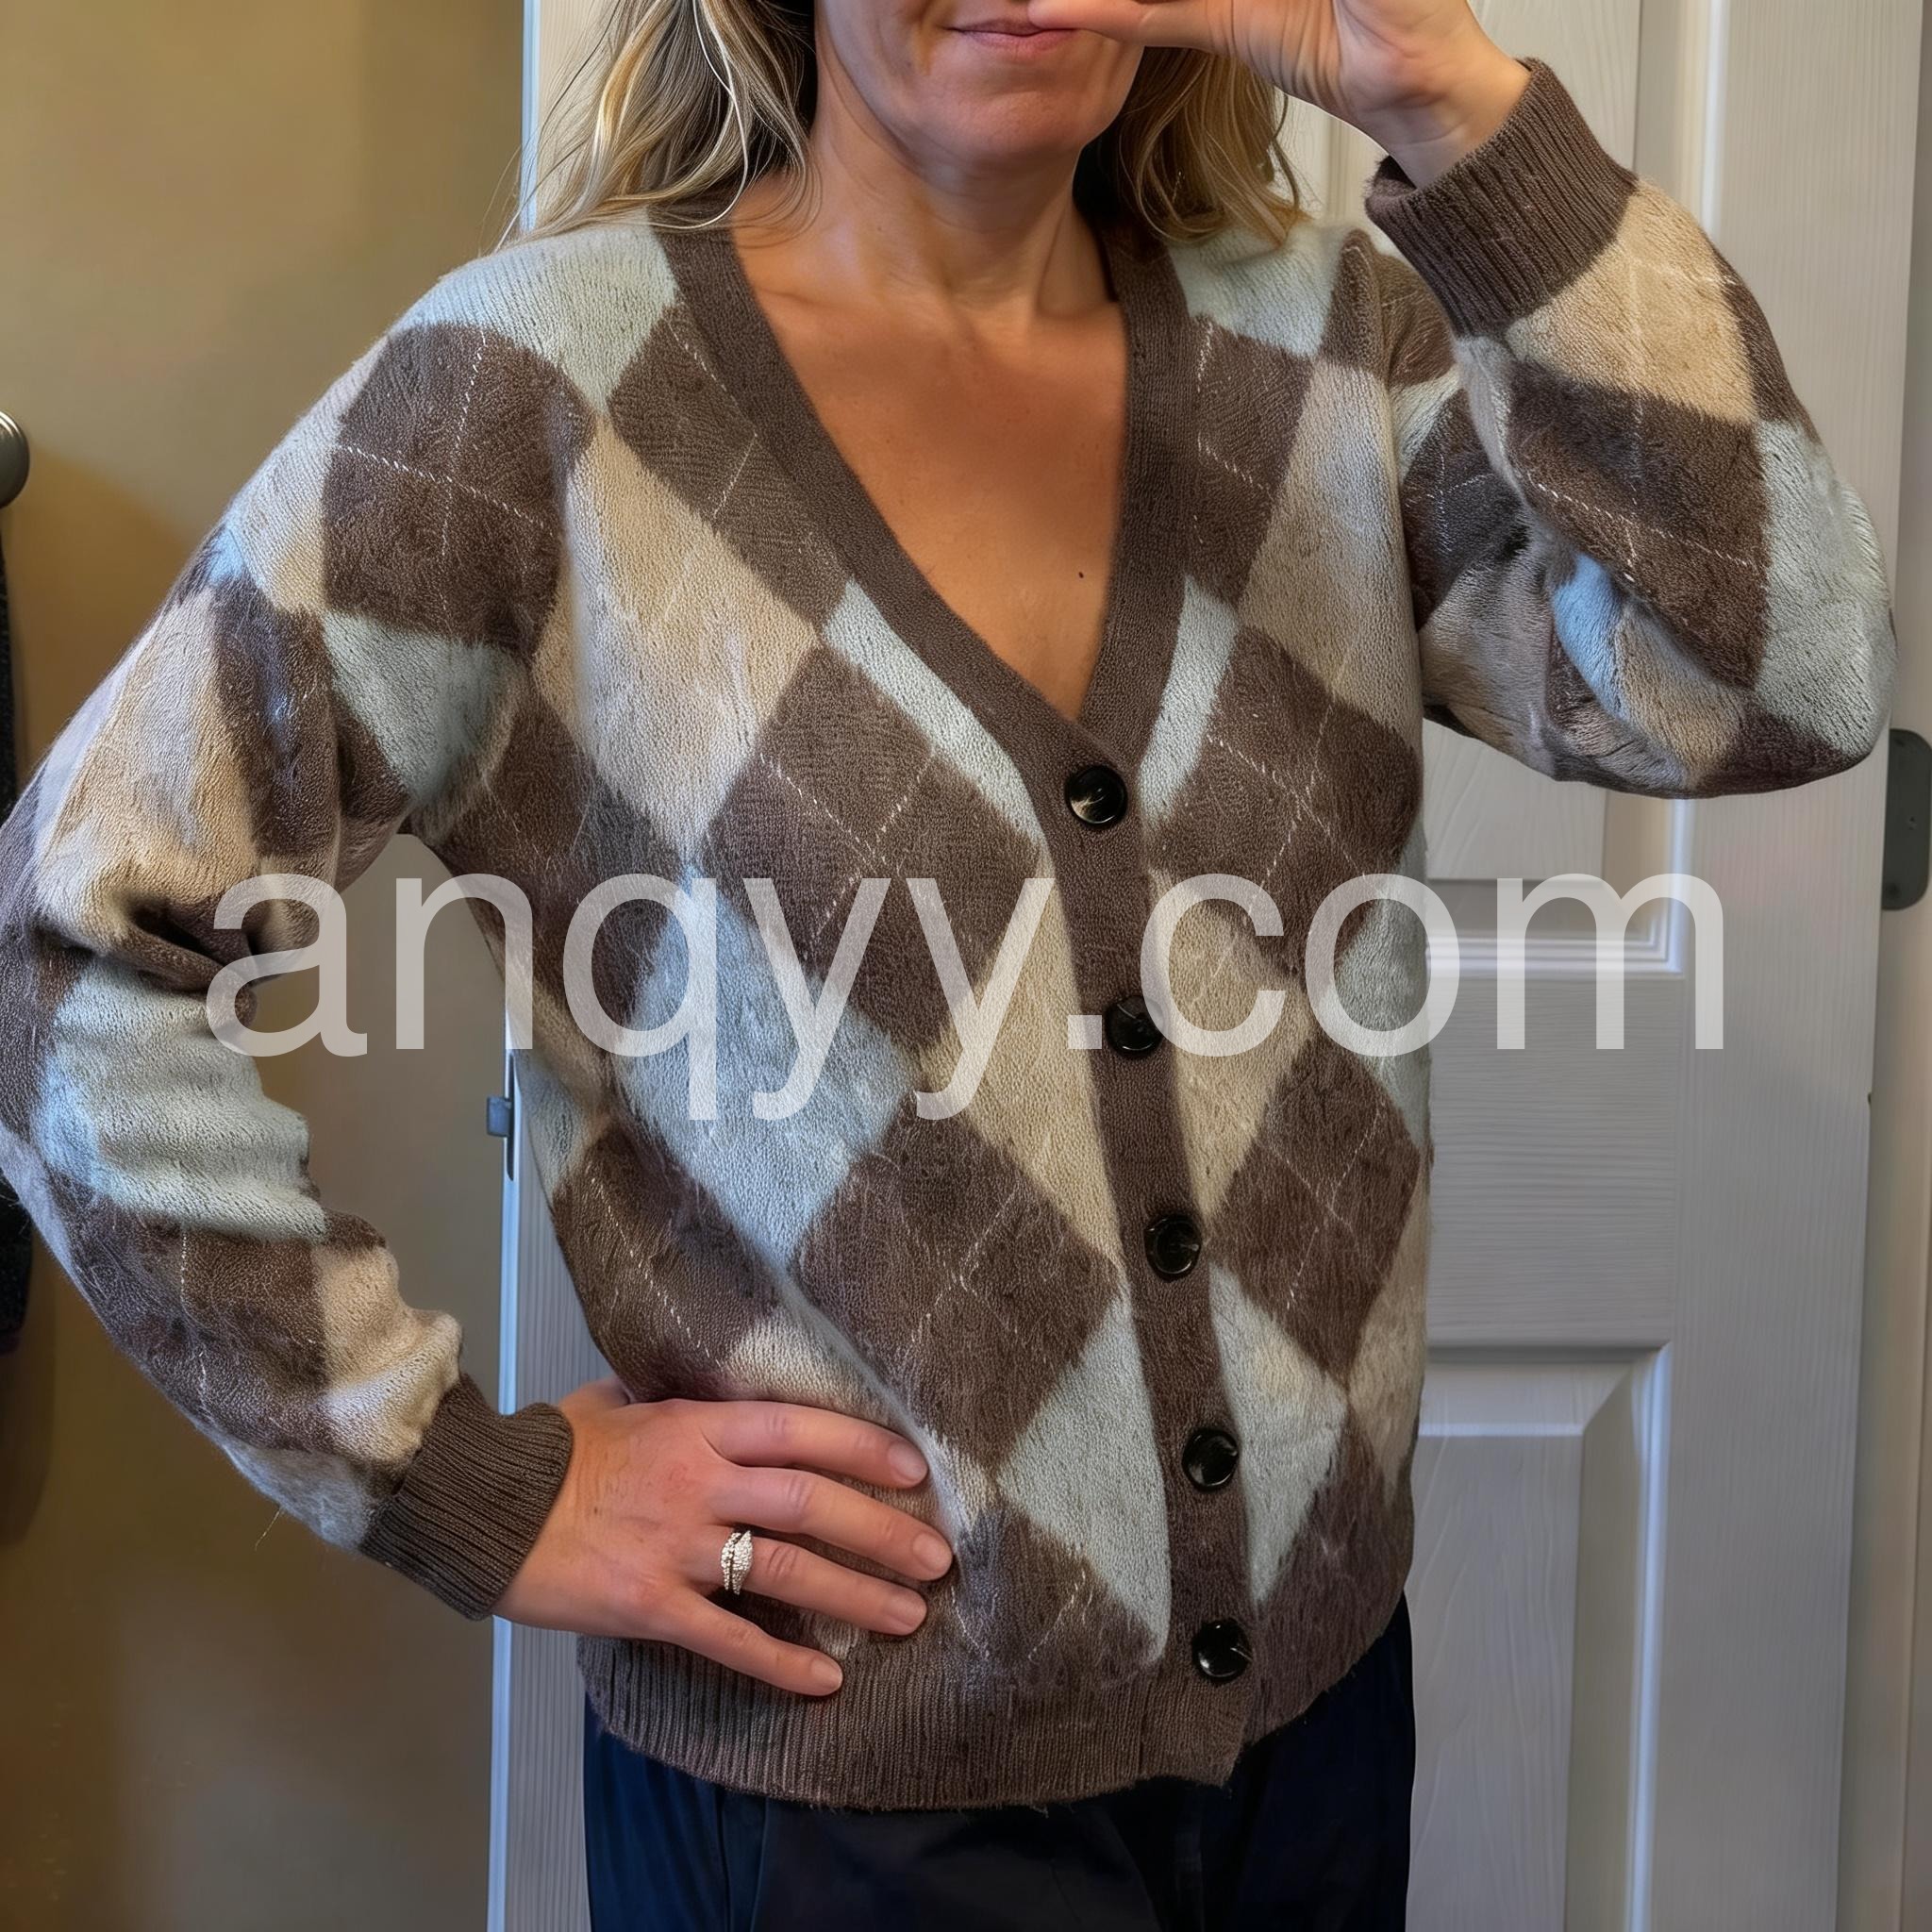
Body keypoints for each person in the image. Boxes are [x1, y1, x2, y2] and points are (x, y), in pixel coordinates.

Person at [0, 0, 1896, 1924]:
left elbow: (1776, 679)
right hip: (843, 1789)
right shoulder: (535, 399)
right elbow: (60, 958)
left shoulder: (1334, 349)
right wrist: (462, 1486)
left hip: (1315, 1732)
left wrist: (1459, 108)